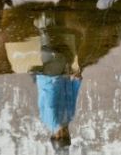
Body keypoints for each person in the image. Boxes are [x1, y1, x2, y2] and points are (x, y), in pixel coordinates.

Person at [31, 12, 82, 151]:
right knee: (71, 55)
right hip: (62, 77)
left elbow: (49, 99)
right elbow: (72, 96)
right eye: (65, 136)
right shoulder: (69, 117)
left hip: (50, 80)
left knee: (57, 58)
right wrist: (77, 81)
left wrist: (57, 78)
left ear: (54, 136)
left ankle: (43, 24)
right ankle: (58, 21)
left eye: (59, 137)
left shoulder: (51, 121)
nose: (63, 133)